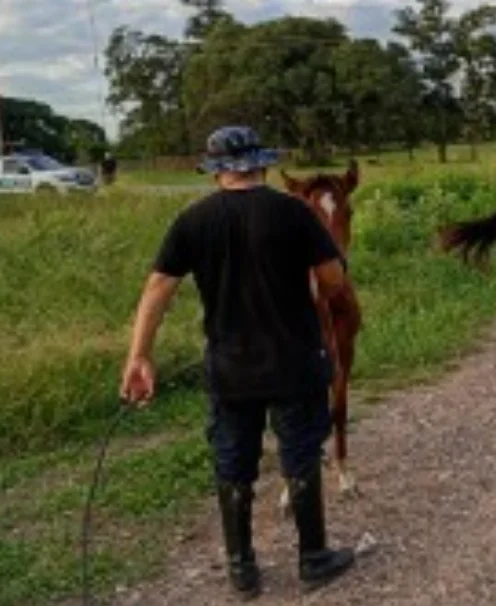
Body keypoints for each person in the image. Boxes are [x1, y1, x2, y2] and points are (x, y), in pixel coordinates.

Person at [119, 125, 356, 599]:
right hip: (294, 360)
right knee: (301, 451)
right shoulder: (293, 212)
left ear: (215, 174)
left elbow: (158, 288)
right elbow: (333, 279)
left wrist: (139, 356)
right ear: (261, 165)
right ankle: (313, 557)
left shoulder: (193, 220)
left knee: (232, 459)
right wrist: (323, 291)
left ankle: (241, 568)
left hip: (230, 366)